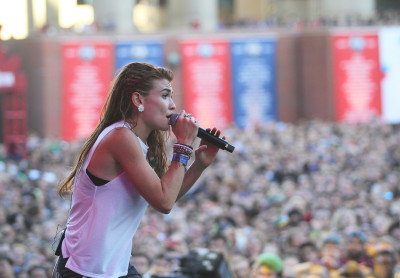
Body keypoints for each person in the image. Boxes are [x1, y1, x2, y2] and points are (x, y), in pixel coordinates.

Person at [55, 62, 224, 277]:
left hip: (111, 267)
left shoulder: (137, 142)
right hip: (84, 269)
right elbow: (164, 202)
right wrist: (183, 145)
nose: (173, 105)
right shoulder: (120, 137)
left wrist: (199, 165)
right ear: (138, 100)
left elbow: (165, 197)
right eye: (165, 95)